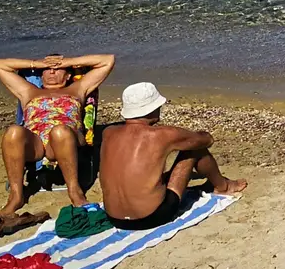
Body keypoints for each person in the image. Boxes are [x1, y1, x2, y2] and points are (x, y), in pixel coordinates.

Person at [0, 53, 115, 233]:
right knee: (13, 132)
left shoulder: (77, 89)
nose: (52, 71)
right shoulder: (29, 91)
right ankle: (16, 195)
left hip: (67, 138)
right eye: (47, 69)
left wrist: (69, 62)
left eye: (57, 68)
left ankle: (74, 190)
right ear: (40, 73)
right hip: (36, 143)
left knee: (59, 131)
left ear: (69, 75)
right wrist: (36, 63)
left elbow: (107, 60)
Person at [99, 82, 245, 230]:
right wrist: (192, 136)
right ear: (152, 108)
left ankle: (221, 186)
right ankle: (223, 186)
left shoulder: (109, 133)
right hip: (152, 217)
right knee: (193, 150)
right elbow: (207, 140)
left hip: (114, 218)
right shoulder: (162, 135)